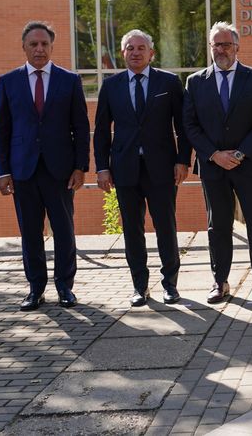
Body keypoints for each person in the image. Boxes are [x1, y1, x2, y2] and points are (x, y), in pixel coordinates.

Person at [0, 21, 89, 311]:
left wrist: (80, 167)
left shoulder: (68, 80)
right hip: (23, 170)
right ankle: (35, 289)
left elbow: (81, 127)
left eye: (44, 44)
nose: (39, 49)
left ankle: (65, 287)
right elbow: (3, 130)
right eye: (33, 44)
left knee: (64, 230)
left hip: (60, 170)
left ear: (51, 46)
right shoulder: (8, 82)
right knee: (30, 233)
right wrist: (3, 171)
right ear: (24, 47)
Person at [94, 30, 192, 306]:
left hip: (161, 168)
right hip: (124, 169)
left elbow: (182, 127)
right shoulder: (111, 86)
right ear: (122, 53)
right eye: (129, 48)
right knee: (132, 230)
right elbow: (102, 131)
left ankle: (170, 284)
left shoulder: (169, 82)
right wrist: (102, 167)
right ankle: (140, 286)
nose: (135, 52)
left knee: (166, 227)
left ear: (151, 53)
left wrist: (182, 161)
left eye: (141, 48)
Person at [183, 22, 252, 304]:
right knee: (218, 225)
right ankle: (220, 281)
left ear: (237, 47)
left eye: (226, 44)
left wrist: (241, 153)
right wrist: (214, 154)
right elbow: (190, 125)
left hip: (250, 165)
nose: (221, 50)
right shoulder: (195, 82)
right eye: (216, 45)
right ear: (210, 48)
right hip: (213, 166)